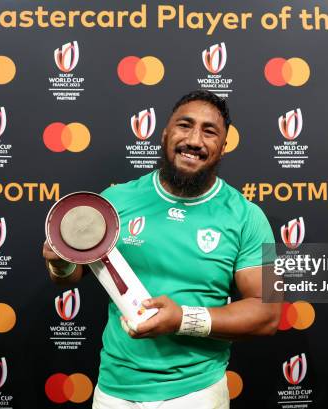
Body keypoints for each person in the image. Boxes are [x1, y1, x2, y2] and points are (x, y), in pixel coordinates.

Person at [43, 90, 281, 409]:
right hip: (114, 389)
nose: (195, 140)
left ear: (223, 148)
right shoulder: (115, 201)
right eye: (185, 125)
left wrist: (182, 319)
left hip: (196, 392)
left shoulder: (249, 217)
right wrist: (60, 262)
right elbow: (70, 277)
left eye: (209, 131)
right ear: (166, 134)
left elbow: (267, 314)